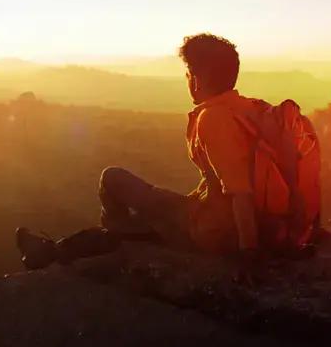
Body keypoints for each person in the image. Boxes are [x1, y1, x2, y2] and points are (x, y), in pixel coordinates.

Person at [15, 33, 264, 281]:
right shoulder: (250, 109)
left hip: (212, 230)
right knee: (148, 219)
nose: (187, 79)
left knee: (112, 179)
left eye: (189, 73)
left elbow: (240, 191)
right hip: (236, 221)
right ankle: (58, 250)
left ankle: (97, 242)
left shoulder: (213, 119)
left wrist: (248, 254)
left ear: (197, 79)